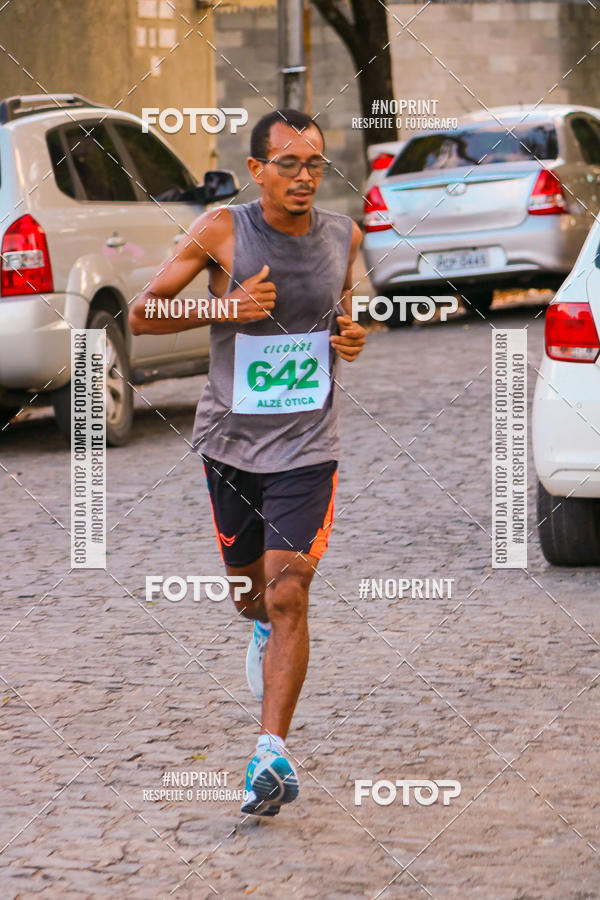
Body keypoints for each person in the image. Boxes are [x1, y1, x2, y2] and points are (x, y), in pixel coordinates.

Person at [129, 108, 366, 817]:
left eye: (314, 164)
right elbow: (143, 313)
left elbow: (341, 312)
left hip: (306, 447)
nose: (303, 177)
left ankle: (270, 753)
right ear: (257, 169)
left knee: (289, 589)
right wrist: (225, 308)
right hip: (231, 446)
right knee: (250, 595)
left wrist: (350, 336)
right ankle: (258, 623)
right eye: (288, 164)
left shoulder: (342, 234)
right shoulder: (223, 231)